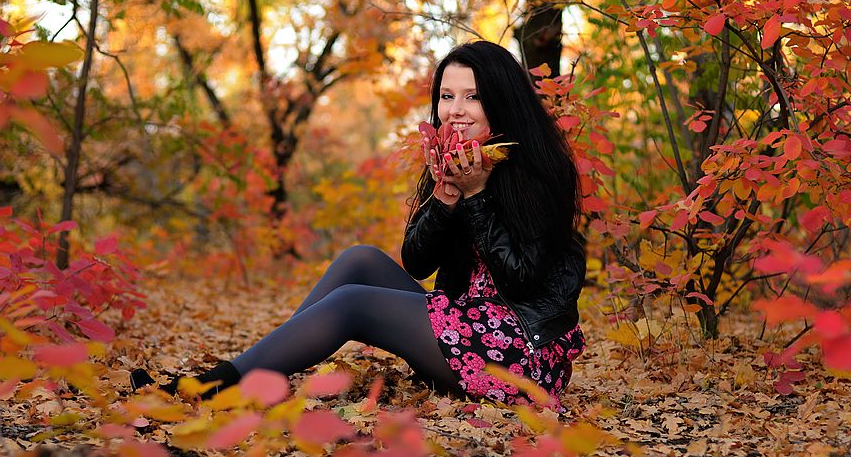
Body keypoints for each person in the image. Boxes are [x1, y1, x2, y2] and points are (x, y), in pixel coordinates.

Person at [130, 40, 587, 409]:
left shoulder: (540, 169)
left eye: (473, 96)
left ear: (502, 102)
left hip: (518, 353)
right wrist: (446, 199)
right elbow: (417, 263)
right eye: (446, 96)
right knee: (359, 261)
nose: (455, 109)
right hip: (464, 328)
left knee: (352, 304)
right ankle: (261, 370)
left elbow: (522, 279)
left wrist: (477, 195)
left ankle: (211, 388)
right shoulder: (457, 162)